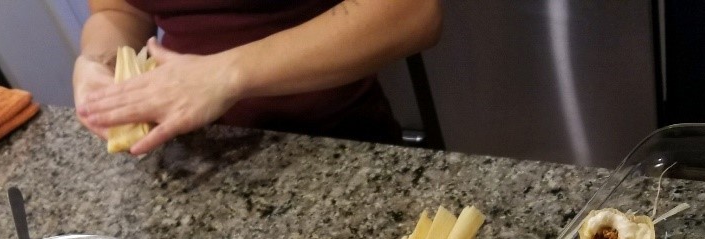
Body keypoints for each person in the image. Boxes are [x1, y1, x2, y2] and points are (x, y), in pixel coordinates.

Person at [73, 0, 443, 154]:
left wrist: (225, 75)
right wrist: (98, 60)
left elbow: (412, 12)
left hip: (327, 140)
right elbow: (117, 10)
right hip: (184, 153)